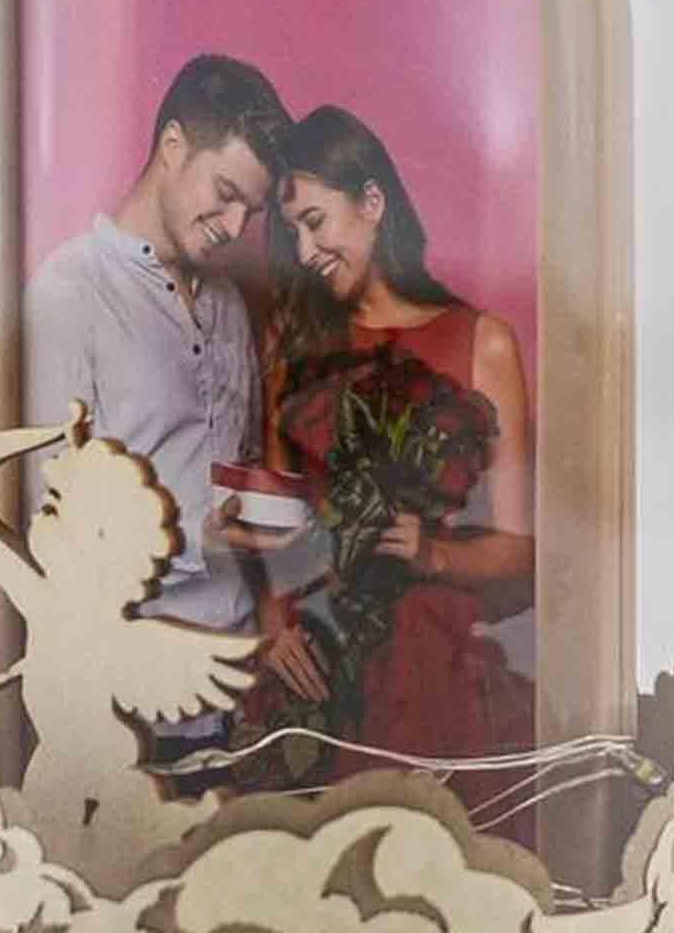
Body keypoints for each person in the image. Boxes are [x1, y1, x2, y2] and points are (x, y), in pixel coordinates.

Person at [242, 104, 536, 815]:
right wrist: (273, 624)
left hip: (436, 679)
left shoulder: (483, 343)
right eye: (291, 232)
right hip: (319, 679)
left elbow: (518, 550)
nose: (304, 252)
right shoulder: (294, 348)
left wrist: (432, 552)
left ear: (371, 202)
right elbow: (271, 527)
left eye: (315, 222)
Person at [22, 53, 291, 766]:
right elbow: (50, 524)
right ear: (173, 145)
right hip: (127, 707)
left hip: (242, 693)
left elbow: (238, 465)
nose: (235, 226)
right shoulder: (68, 293)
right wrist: (200, 541)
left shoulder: (228, 304)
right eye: (225, 193)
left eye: (252, 211)